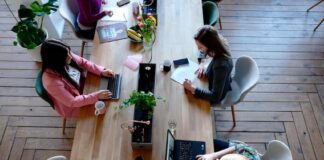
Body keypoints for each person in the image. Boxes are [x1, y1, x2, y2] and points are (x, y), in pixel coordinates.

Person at [41, 39, 115, 117]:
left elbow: (83, 62)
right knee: (107, 112)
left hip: (84, 88)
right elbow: (72, 102)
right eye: (66, 56)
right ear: (56, 61)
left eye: (69, 52)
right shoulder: (51, 83)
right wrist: (96, 96)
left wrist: (101, 71)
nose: (70, 56)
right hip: (74, 105)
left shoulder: (65, 54)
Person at [183, 25, 233, 105]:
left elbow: (215, 97)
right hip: (215, 77)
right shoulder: (219, 41)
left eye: (201, 47)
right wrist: (202, 63)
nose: (199, 50)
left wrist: (191, 88)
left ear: (210, 46)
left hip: (215, 92)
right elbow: (202, 52)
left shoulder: (221, 66)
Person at [196, 139, 260, 160]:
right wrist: (213, 155)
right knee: (209, 142)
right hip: (235, 149)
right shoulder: (247, 152)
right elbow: (237, 147)